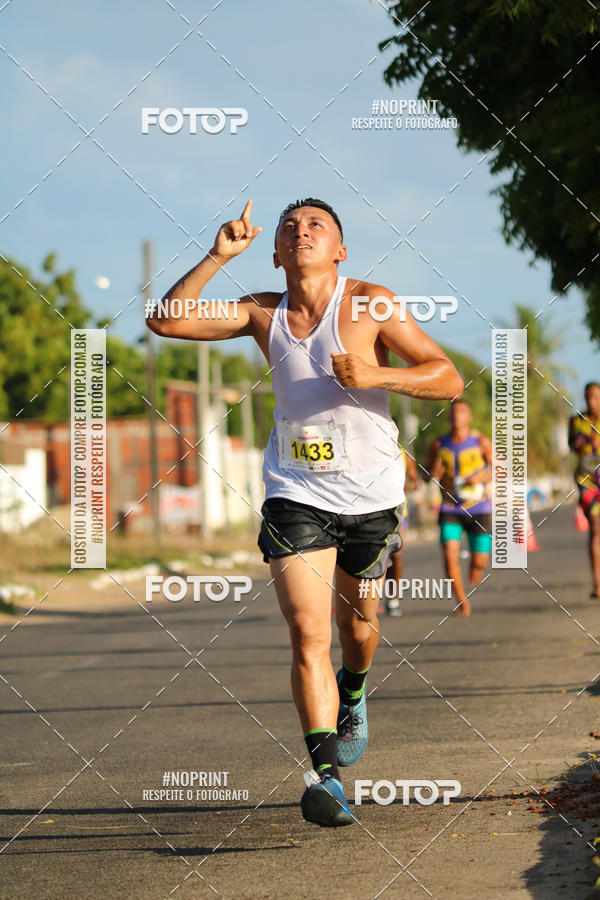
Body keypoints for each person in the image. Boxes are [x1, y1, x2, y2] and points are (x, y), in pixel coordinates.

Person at [147, 198, 463, 827]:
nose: (301, 232)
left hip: (372, 497)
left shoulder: (372, 302)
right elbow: (167, 322)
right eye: (290, 227)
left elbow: (447, 376)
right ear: (274, 252)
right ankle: (326, 778)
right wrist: (218, 255)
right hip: (295, 493)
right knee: (307, 631)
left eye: (316, 225)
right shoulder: (262, 311)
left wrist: (378, 374)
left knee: (359, 630)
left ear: (340, 250)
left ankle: (354, 688)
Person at [424, 400, 492, 617]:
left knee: (480, 560)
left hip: (479, 508)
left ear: (469, 417)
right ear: (448, 417)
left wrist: (480, 477)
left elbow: (500, 468)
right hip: (450, 508)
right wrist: (432, 471)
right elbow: (426, 475)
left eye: (462, 411)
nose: (457, 415)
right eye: (453, 412)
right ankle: (462, 602)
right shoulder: (438, 445)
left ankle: (476, 564)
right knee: (449, 555)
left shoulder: (480, 441)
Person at [568, 383, 600, 598]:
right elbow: (571, 444)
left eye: (596, 397)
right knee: (596, 528)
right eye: (588, 396)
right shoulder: (576, 420)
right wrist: (584, 442)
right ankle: (597, 583)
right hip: (587, 481)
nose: (591, 401)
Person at [385, 446, 418, 616]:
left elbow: (415, 482)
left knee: (396, 555)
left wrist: (406, 485)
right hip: (372, 511)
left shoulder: (404, 455)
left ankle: (393, 597)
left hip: (398, 513)